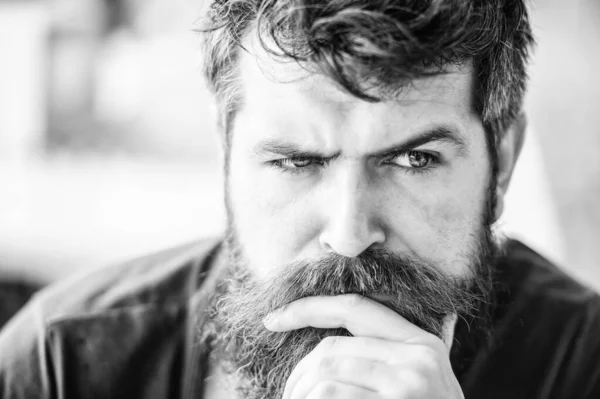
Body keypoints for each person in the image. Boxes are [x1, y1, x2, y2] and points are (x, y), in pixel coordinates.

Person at [1, 1, 600, 398]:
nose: (348, 232)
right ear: (225, 151)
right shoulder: (58, 367)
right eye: (295, 162)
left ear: (503, 163)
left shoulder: (583, 365)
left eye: (414, 160)